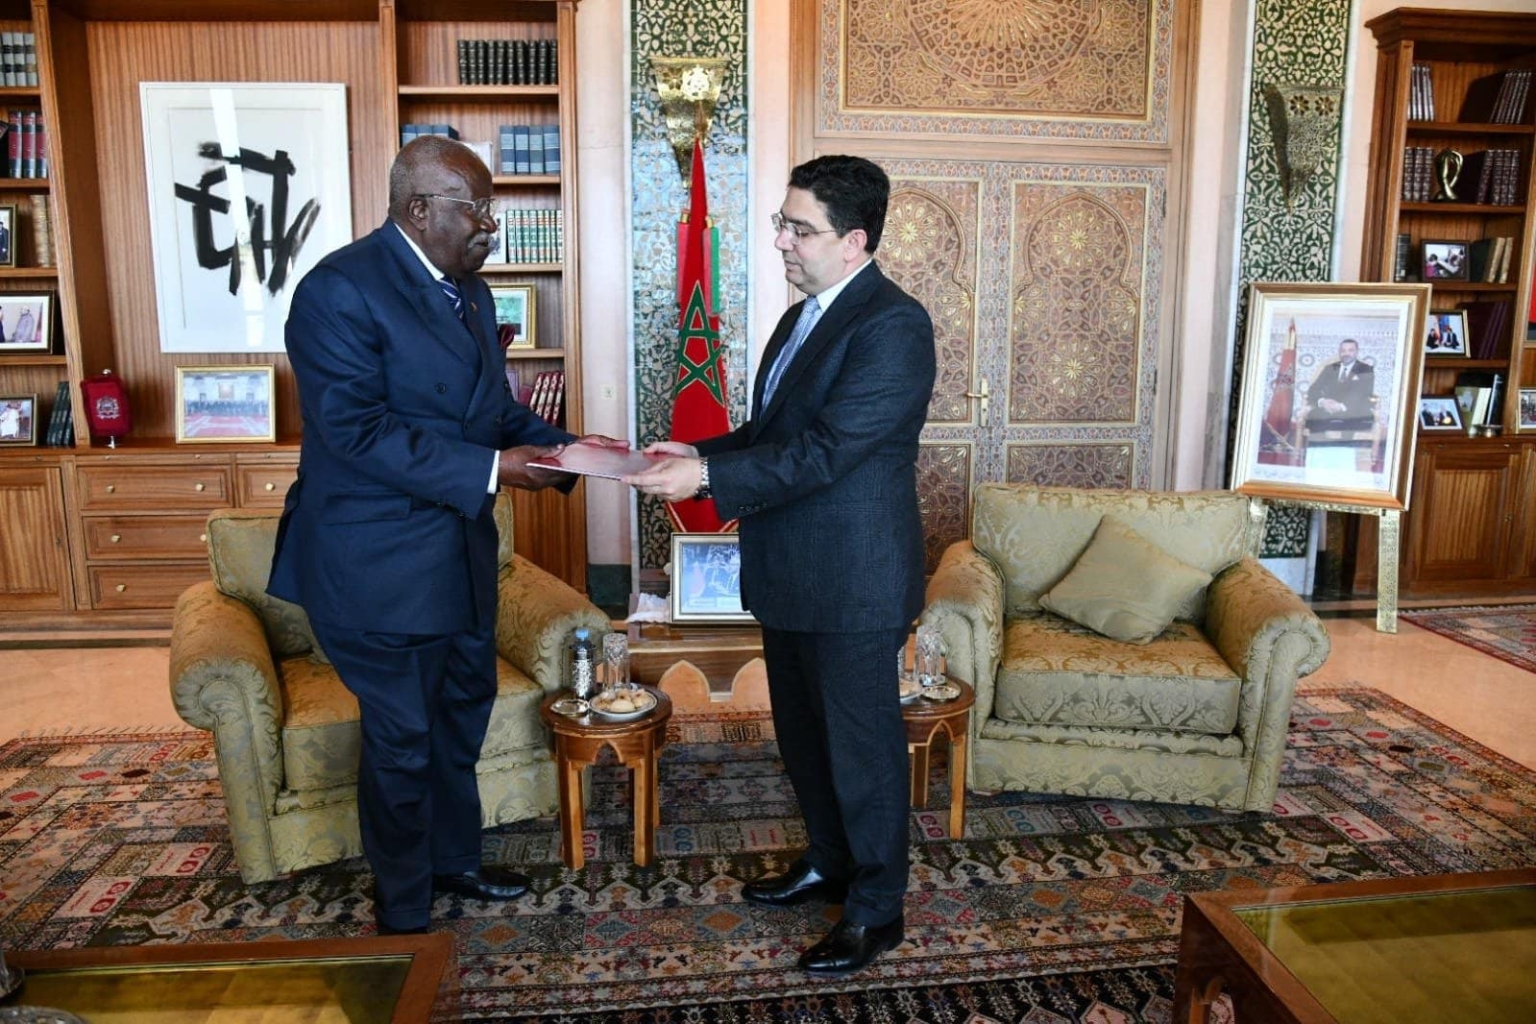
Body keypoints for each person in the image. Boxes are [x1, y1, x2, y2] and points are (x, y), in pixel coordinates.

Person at [268, 135, 612, 936]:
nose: (490, 226)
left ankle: (455, 862)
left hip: (458, 555)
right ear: (420, 209)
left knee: (461, 715)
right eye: (476, 210)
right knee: (403, 738)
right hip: (374, 566)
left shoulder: (471, 294)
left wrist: (572, 451)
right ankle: (403, 904)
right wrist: (495, 469)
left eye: (491, 209)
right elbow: (357, 432)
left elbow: (492, 413)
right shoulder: (338, 291)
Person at [626, 155, 936, 976]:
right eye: (782, 224)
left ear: (855, 241)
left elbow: (827, 451)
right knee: (803, 739)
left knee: (861, 753)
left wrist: (707, 478)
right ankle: (829, 863)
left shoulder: (894, 326)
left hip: (855, 580)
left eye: (800, 229)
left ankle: (876, 910)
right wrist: (696, 448)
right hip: (792, 571)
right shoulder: (802, 317)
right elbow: (773, 433)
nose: (782, 242)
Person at [1302, 338, 1376, 472]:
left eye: (1350, 350)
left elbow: (1363, 393)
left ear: (1356, 352)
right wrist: (1323, 401)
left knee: (1349, 422)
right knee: (1314, 417)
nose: (1346, 353)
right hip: (1327, 408)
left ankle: (1342, 464)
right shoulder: (1330, 368)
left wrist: (1341, 406)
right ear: (1339, 352)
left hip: (1352, 410)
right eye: (1343, 350)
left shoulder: (1366, 369)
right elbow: (1313, 389)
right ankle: (1318, 461)